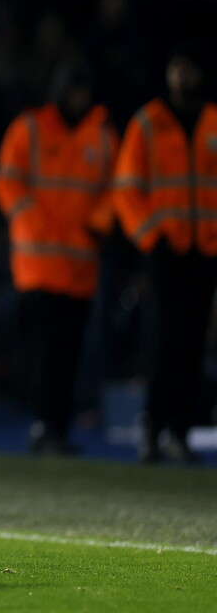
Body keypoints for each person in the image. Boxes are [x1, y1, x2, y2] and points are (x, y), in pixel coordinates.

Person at [0, 60, 119, 455]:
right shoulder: (30, 128)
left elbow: (116, 187)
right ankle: (45, 426)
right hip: (40, 265)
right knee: (49, 352)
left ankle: (55, 429)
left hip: (79, 265)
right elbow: (7, 182)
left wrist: (99, 222)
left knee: (68, 352)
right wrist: (34, 223)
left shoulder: (101, 134)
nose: (80, 99)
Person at [112, 43, 217, 464]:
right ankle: (154, 428)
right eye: (177, 68)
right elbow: (126, 188)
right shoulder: (149, 123)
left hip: (205, 249)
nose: (182, 77)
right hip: (166, 250)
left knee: (192, 345)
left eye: (188, 69)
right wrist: (150, 235)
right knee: (162, 341)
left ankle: (179, 431)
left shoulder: (212, 121)